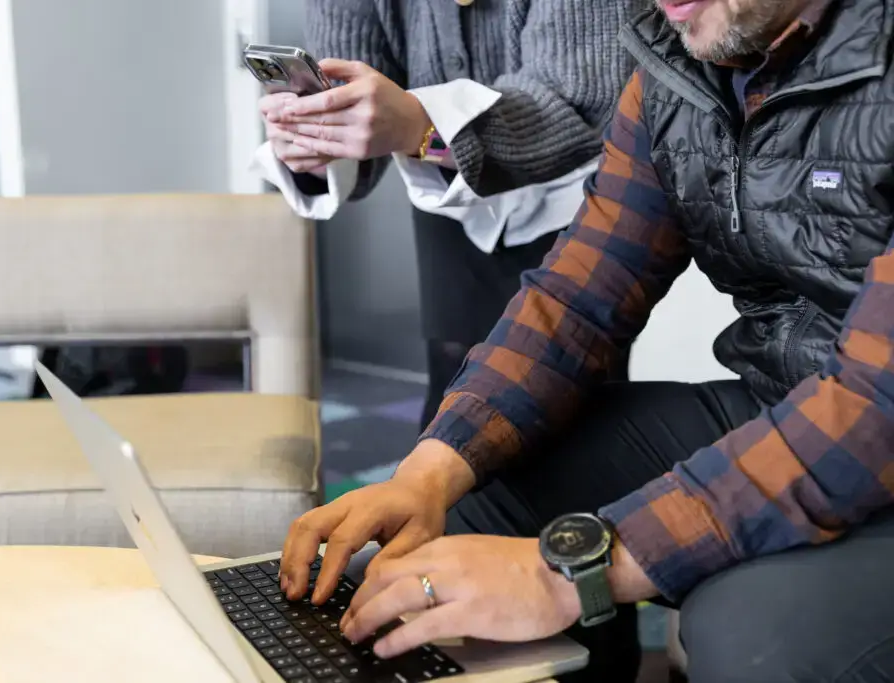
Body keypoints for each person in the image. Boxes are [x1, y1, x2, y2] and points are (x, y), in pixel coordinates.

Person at [277, 0, 894, 681]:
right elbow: (581, 294)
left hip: (876, 421)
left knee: (747, 631)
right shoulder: (676, 64)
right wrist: (429, 470)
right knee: (470, 498)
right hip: (784, 397)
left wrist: (570, 573)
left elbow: (877, 402)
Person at [254, 0, 641, 432]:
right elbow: (356, 103)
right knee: (453, 393)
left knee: (579, 400)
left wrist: (422, 129)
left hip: (578, 195)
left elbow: (580, 100)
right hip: (448, 194)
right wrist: (318, 145)